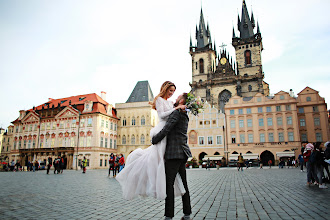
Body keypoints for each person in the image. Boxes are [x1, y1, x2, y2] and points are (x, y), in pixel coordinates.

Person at [116, 81, 186, 200]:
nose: (172, 93)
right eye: (170, 91)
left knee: (162, 159)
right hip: (162, 129)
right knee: (157, 158)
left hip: (169, 131)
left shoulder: (170, 102)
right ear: (165, 89)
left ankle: (164, 183)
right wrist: (177, 108)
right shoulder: (159, 99)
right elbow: (162, 115)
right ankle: (154, 186)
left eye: (173, 91)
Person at [152, 93, 192, 220]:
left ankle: (168, 216)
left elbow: (166, 130)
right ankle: (187, 213)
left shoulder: (176, 113)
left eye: (177, 97)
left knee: (169, 185)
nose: (175, 98)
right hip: (183, 153)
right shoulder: (185, 115)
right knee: (184, 184)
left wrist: (155, 139)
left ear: (181, 101)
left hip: (174, 154)